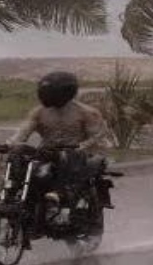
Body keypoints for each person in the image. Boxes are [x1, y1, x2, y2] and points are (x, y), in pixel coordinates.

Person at [8, 71, 115, 209]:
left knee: (69, 156)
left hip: (77, 154)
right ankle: (10, 188)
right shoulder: (38, 112)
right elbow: (23, 132)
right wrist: (10, 144)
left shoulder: (86, 112)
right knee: (18, 153)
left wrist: (82, 146)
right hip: (48, 151)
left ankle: (59, 192)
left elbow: (97, 136)